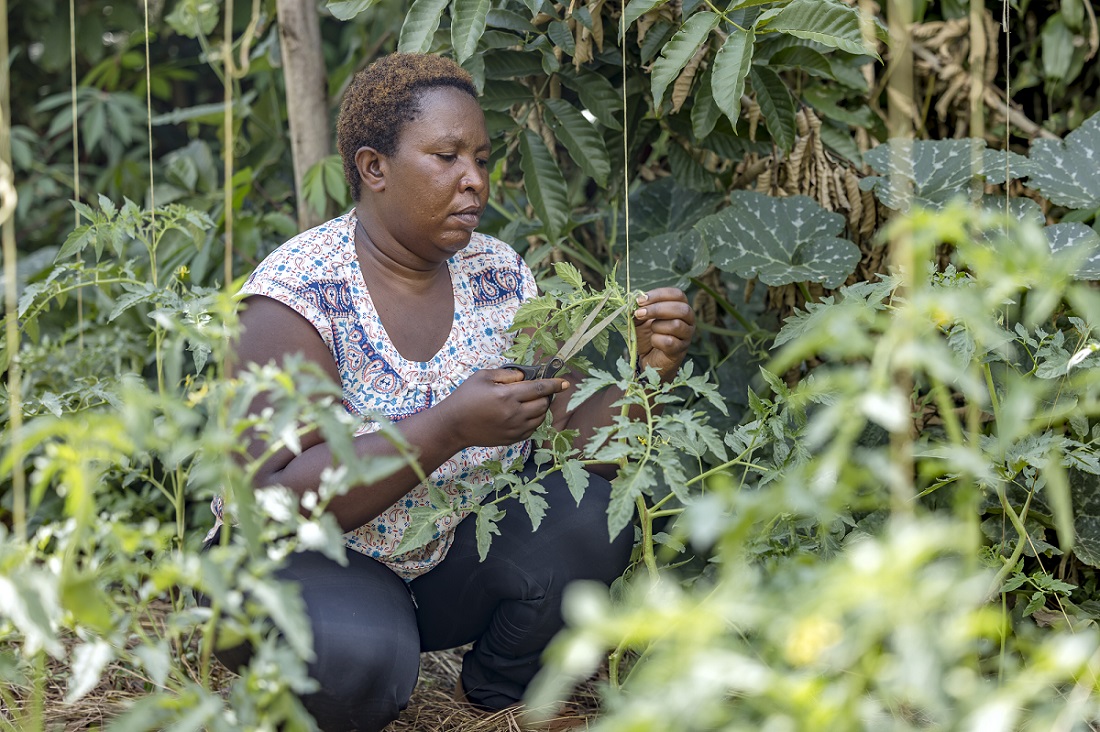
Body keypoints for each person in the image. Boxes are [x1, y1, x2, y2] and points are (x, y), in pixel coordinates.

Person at [207, 52, 696, 731]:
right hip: (301, 570)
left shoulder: (499, 273)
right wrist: (447, 428)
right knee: (359, 663)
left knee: (589, 515)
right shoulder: (296, 296)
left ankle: (500, 697)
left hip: (439, 561)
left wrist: (647, 372)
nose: (474, 180)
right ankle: (334, 674)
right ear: (374, 167)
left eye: (482, 160)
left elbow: (572, 449)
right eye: (447, 157)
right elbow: (276, 502)